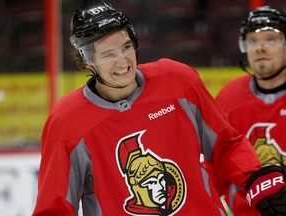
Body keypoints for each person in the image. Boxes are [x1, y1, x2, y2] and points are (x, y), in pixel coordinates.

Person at [32, 1, 286, 215]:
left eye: (127, 47)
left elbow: (225, 143)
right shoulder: (67, 121)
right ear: (87, 61)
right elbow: (54, 207)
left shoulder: (178, 82)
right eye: (108, 54)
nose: (123, 61)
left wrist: (256, 178)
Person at [214, 5, 286, 216]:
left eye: (270, 40)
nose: (259, 47)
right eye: (252, 41)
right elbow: (214, 164)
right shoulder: (229, 95)